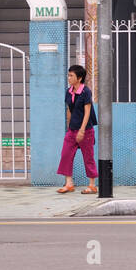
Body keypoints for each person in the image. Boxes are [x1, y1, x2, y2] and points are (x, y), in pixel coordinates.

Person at [57, 65, 99, 195]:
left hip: (85, 130)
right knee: (66, 155)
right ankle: (69, 184)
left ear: (79, 78)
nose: (69, 78)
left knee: (88, 157)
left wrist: (81, 130)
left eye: (71, 76)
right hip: (72, 130)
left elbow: (87, 112)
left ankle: (92, 185)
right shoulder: (68, 91)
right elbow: (69, 109)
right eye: (68, 75)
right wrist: (70, 127)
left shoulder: (86, 91)